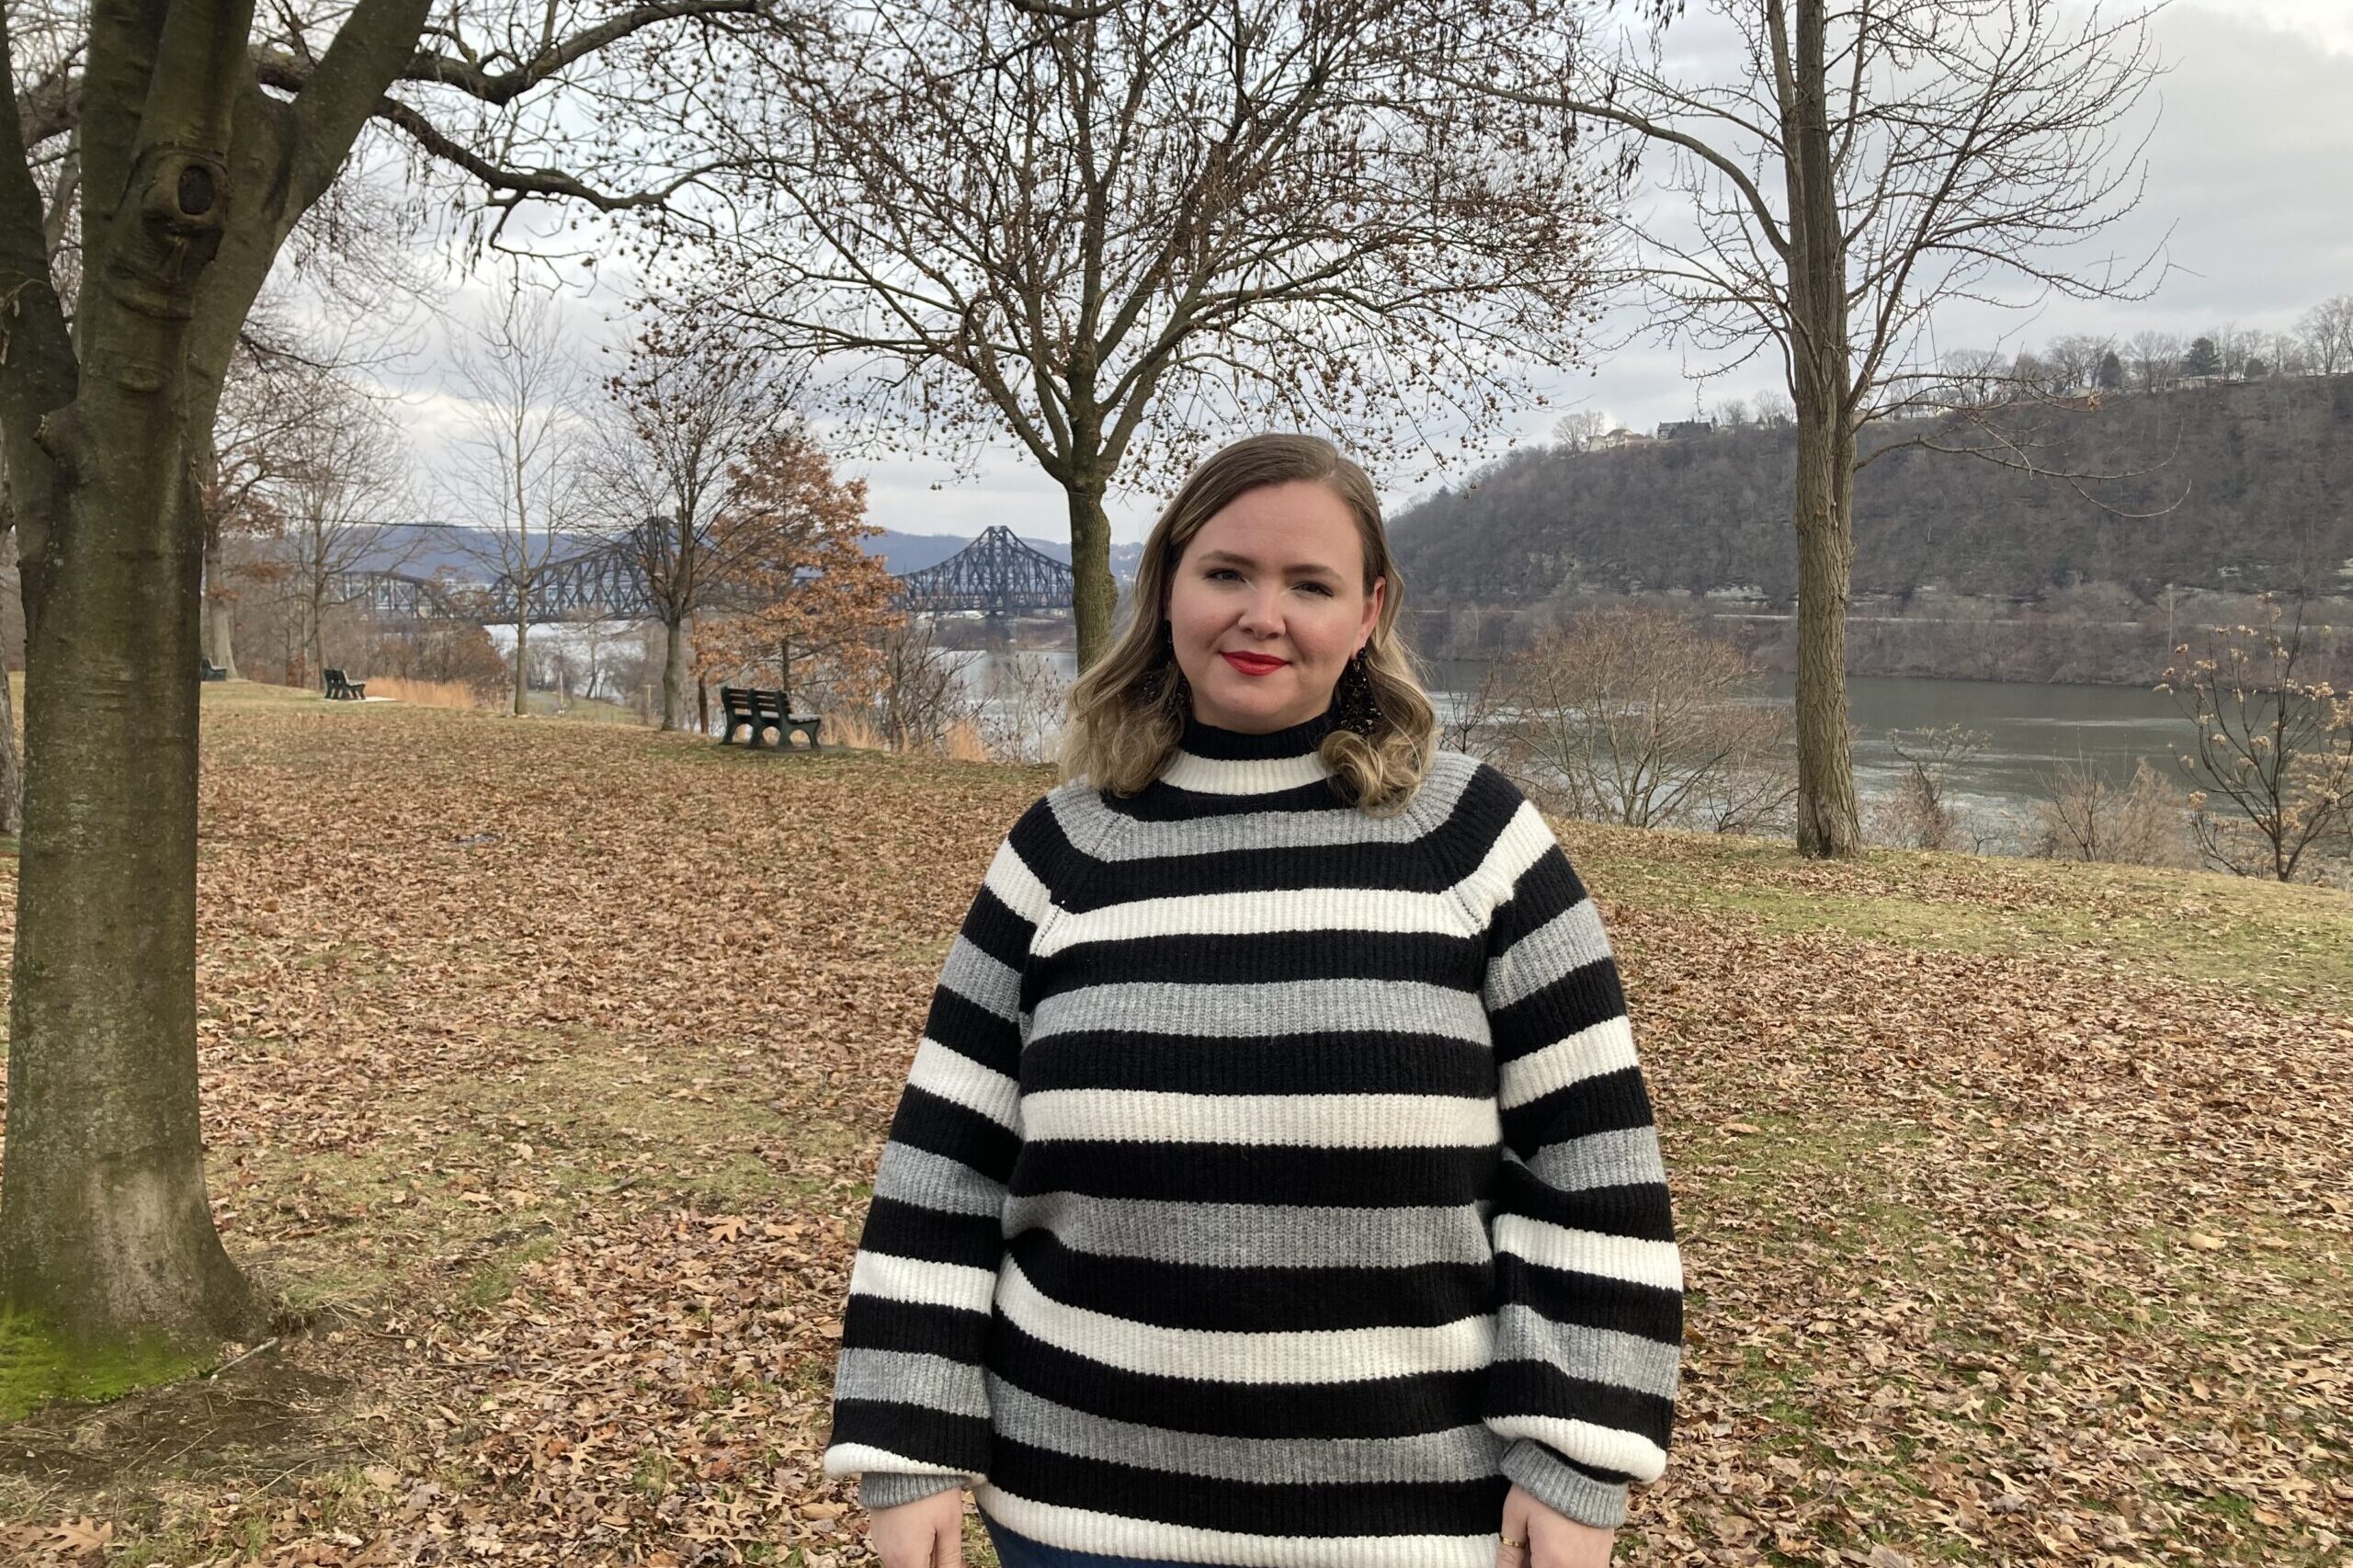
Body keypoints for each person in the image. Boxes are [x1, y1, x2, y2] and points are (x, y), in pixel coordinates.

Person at [821, 433, 1683, 1568]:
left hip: (1413, 1522)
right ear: (1168, 584)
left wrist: (1576, 1460)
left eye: (1309, 583)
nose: (1260, 614)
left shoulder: (1478, 844)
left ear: (1369, 610)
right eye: (1226, 571)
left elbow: (1594, 1166)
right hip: (1080, 1518)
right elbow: (942, 1167)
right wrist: (907, 1446)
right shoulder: (1058, 852)